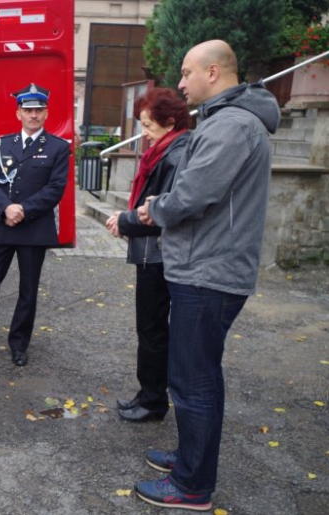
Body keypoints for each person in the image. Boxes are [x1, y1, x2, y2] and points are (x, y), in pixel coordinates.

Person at [134, 40, 279, 511]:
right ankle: (188, 460)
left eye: (185, 72)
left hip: (209, 272)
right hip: (207, 266)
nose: (179, 82)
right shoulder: (227, 121)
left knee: (193, 381)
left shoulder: (233, 125)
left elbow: (191, 196)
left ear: (213, 72)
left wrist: (155, 207)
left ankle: (193, 485)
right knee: (196, 377)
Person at [0, 83, 70, 366]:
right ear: (18, 113)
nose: (34, 115)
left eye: (39, 110)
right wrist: (6, 207)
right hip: (3, 225)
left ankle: (19, 344)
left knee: (27, 290)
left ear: (46, 113)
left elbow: (56, 189)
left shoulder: (57, 147)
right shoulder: (3, 144)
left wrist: (23, 209)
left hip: (34, 228)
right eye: (28, 110)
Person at [105, 88, 191, 422]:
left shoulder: (175, 153)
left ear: (170, 122)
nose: (144, 132)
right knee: (149, 328)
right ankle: (148, 393)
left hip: (159, 254)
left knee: (152, 329)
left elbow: (162, 208)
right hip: (153, 252)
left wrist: (125, 221)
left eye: (148, 124)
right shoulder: (164, 150)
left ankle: (153, 401)